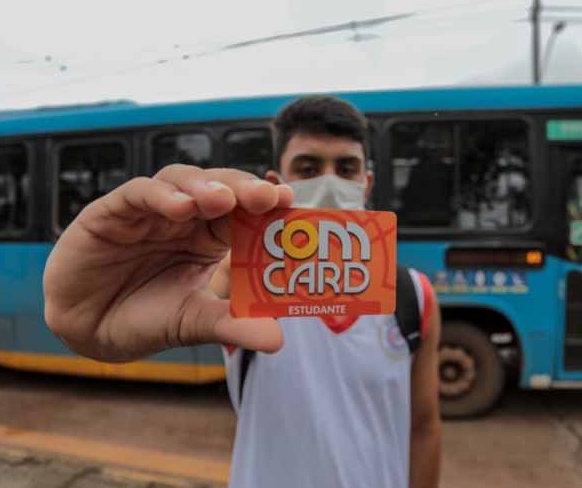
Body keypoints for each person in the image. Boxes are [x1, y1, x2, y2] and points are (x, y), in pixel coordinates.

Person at [44, 96, 442, 488]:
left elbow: (423, 426)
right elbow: (189, 297)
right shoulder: (244, 278)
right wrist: (99, 317)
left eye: (346, 168)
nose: (329, 182)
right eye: (308, 168)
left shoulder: (413, 294)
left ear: (366, 184)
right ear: (276, 184)